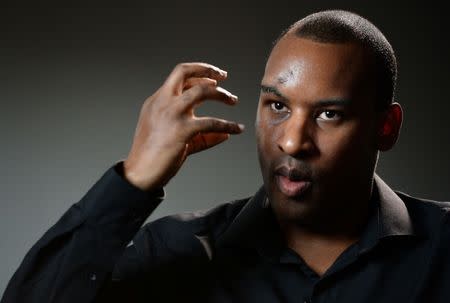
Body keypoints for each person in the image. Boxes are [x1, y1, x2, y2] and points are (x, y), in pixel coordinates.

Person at [2, 9, 449, 303]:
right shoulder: (176, 254)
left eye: (330, 114)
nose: (292, 142)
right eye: (277, 106)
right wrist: (134, 178)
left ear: (385, 128)